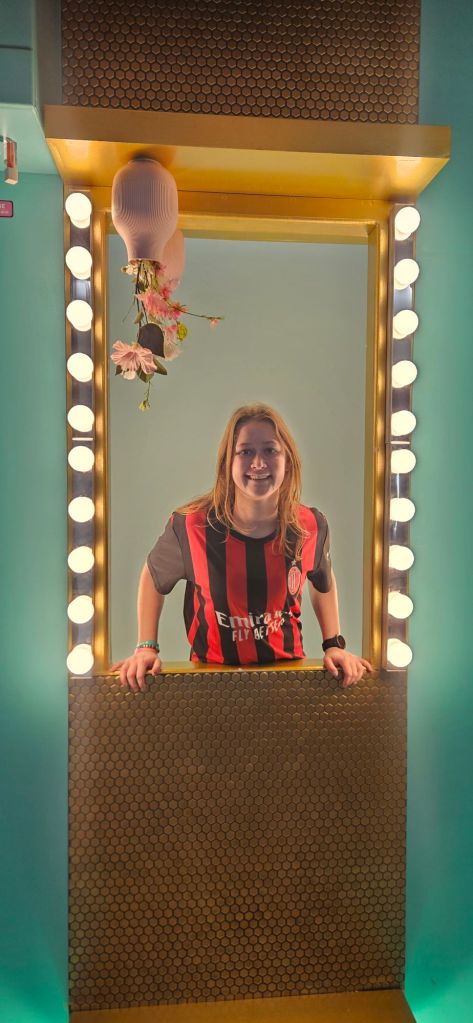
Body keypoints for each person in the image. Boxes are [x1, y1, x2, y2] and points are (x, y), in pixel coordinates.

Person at [112, 403, 373, 692]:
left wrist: (333, 644)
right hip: (210, 684)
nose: (258, 463)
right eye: (246, 452)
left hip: (288, 683)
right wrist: (146, 647)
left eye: (270, 450)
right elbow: (153, 576)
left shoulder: (310, 525)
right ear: (228, 462)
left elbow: (323, 579)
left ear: (288, 460)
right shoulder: (191, 526)